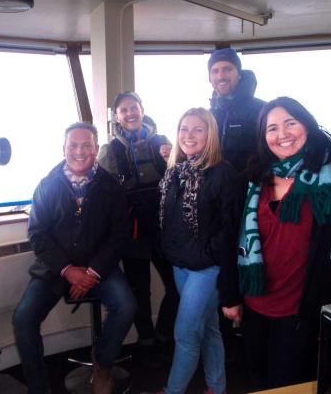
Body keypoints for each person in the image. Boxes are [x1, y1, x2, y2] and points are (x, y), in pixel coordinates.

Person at [13, 122, 136, 394]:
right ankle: (39, 388)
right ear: (64, 148)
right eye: (73, 145)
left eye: (86, 145)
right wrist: (68, 270)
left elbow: (119, 234)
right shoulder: (47, 185)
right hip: (55, 269)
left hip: (100, 268)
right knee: (23, 318)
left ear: (95, 149)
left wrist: (91, 273)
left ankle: (103, 364)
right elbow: (37, 234)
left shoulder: (111, 186)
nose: (79, 151)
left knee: (127, 305)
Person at [237, 97, 331, 390]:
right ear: (264, 138)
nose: (282, 134)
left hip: (299, 311)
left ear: (307, 124)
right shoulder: (254, 178)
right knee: (257, 380)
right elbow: (231, 239)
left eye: (291, 123)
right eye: (272, 128)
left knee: (289, 383)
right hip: (255, 304)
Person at [156, 108, 241, 394]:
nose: (188, 136)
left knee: (185, 334)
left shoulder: (223, 174)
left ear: (211, 135)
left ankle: (173, 391)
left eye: (197, 130)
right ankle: (218, 387)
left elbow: (230, 232)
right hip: (181, 266)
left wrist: (214, 263)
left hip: (207, 269)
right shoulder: (176, 172)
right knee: (209, 329)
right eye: (183, 129)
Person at [97, 91, 179, 365]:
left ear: (143, 110)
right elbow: (103, 191)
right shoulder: (109, 150)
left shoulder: (164, 142)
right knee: (138, 291)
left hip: (165, 226)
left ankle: (165, 332)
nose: (130, 113)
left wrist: (172, 158)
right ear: (117, 117)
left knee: (176, 286)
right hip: (131, 231)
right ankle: (147, 340)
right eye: (123, 110)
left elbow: (182, 177)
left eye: (134, 107)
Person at [208, 47, 266, 173]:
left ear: (239, 74)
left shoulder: (263, 110)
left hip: (254, 186)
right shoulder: (208, 116)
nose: (221, 76)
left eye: (227, 69)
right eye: (215, 71)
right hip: (217, 188)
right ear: (209, 78)